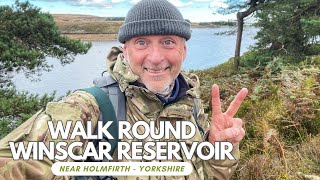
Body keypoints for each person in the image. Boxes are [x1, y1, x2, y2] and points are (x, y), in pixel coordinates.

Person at [0, 0, 248, 179]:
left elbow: (207, 175)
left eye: (168, 42)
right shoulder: (89, 108)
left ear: (183, 50)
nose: (155, 57)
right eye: (142, 43)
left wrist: (219, 150)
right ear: (125, 51)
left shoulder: (189, 103)